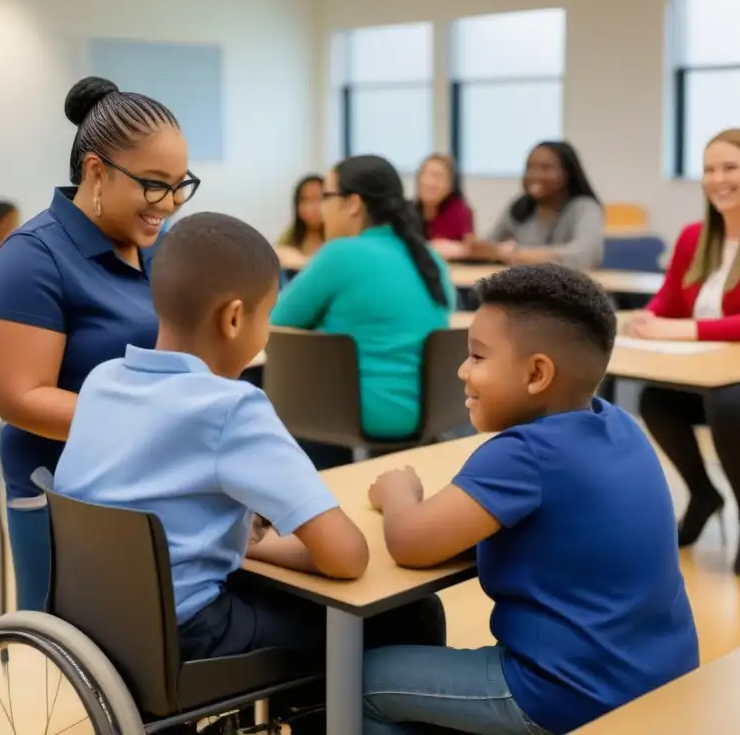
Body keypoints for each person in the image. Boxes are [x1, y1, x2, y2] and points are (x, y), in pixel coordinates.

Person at [54, 212, 447, 734]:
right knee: (413, 614)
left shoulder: (103, 381)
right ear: (235, 318)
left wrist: (238, 542)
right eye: (268, 316)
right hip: (189, 635)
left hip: (101, 622)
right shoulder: (232, 406)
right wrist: (253, 546)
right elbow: (346, 556)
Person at [362, 263, 699, 735]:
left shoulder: (524, 454)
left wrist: (399, 491)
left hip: (568, 694)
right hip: (659, 676)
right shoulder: (619, 424)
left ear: (537, 374)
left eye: (477, 357)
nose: (463, 370)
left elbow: (410, 542)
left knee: (360, 682)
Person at [0, 75, 199, 611]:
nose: (168, 204)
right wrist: (148, 422)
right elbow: (20, 398)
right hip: (72, 497)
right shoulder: (33, 256)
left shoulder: (158, 247)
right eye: (153, 184)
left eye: (179, 184)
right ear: (96, 170)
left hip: (158, 481)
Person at [626, 128, 740, 577]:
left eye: (730, 167)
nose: (718, 178)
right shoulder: (693, 238)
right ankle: (703, 494)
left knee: (732, 406)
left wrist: (679, 329)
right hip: (706, 369)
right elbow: (668, 301)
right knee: (655, 400)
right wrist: (647, 319)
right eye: (709, 169)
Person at [271, 155, 455, 470]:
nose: (322, 210)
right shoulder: (430, 260)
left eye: (326, 197)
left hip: (356, 414)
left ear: (353, 203)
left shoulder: (340, 254)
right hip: (430, 413)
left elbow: (275, 322)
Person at [479, 141, 604, 270]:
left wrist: (518, 254)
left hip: (569, 287)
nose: (534, 175)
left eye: (546, 168)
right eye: (529, 168)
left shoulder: (585, 207)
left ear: (567, 174)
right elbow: (491, 246)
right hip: (521, 285)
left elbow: (586, 256)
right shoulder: (520, 207)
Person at [413, 153, 474, 261]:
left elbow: (467, 249)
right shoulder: (408, 210)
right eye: (424, 174)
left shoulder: (459, 211)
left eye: (437, 176)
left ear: (450, 183)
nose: (429, 182)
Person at [275, 173, 325, 271]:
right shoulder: (293, 232)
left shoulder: (339, 235)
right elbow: (276, 253)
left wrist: (304, 262)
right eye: (305, 200)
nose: (312, 207)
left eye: (318, 199)